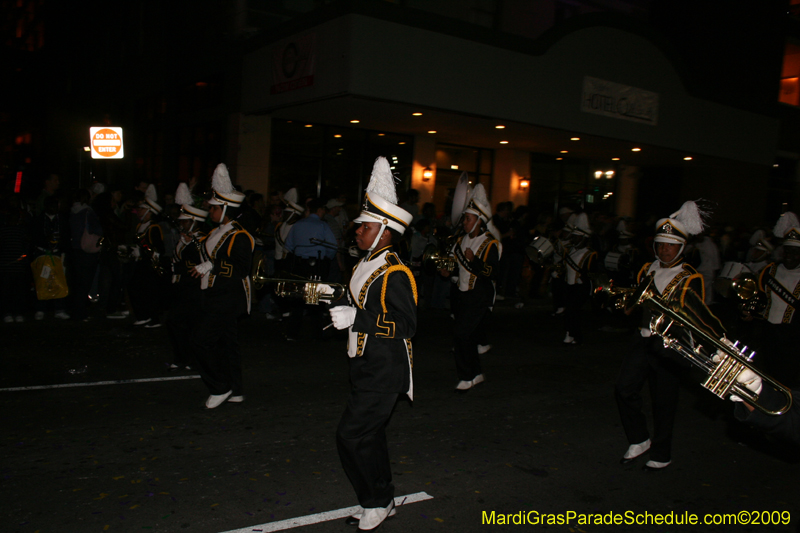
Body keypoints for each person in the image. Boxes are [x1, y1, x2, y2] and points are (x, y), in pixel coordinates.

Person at [327, 156, 416, 531]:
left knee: (351, 435)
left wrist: (357, 318)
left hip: (385, 367)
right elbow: (359, 300)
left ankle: (376, 501)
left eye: (364, 226)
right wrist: (333, 299)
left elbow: (407, 324)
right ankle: (383, 496)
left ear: (384, 230)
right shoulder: (366, 261)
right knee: (370, 436)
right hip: (366, 363)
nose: (357, 231)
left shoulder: (395, 271)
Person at [615, 200, 707, 471]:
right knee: (624, 388)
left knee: (664, 400)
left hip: (670, 345)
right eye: (661, 244)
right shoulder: (647, 269)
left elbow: (695, 318)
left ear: (682, 247)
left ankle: (662, 452)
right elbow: (635, 304)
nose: (665, 250)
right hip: (643, 339)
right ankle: (639, 438)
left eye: (670, 245)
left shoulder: (691, 278)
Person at [190, 163, 254, 408]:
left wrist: (213, 266)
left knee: (200, 340)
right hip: (217, 294)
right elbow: (209, 250)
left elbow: (240, 268)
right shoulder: (218, 231)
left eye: (214, 208)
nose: (210, 211)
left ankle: (220, 386)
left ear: (226, 208)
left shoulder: (239, 235)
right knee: (228, 345)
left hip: (228, 296)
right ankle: (235, 389)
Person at [439, 183, 501, 392]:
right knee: (468, 337)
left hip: (479, 296)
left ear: (479, 221)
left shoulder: (489, 244)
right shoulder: (461, 240)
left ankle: (466, 376)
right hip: (462, 295)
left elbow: (491, 273)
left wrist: (474, 261)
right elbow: (460, 270)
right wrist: (449, 272)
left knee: (461, 335)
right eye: (465, 218)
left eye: (468, 219)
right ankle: (476, 374)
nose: (464, 222)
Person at [749, 212, 800, 388]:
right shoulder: (769, 271)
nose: (790, 256)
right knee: (769, 378)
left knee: (789, 383)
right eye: (787, 251)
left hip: (794, 338)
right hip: (768, 334)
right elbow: (759, 300)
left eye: (795, 252)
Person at [165, 183, 208, 371]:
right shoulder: (184, 239)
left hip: (196, 289)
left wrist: (193, 243)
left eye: (184, 221)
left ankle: (192, 359)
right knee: (175, 322)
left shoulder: (203, 239)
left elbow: (207, 259)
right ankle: (181, 357)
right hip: (181, 287)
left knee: (192, 325)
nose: (181, 224)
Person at [283, 198, 338, 339]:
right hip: (316, 265)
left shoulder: (298, 225)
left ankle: (292, 332)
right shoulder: (323, 226)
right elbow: (332, 247)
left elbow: (288, 246)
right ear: (319, 211)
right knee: (316, 299)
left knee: (298, 298)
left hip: (299, 265)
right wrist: (327, 258)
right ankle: (317, 332)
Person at [128, 185, 166, 328]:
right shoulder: (139, 226)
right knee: (136, 289)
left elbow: (158, 248)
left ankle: (153, 318)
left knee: (149, 291)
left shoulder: (153, 227)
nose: (139, 211)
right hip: (140, 263)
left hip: (149, 265)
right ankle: (143, 315)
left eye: (142, 209)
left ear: (150, 212)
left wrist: (144, 252)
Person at [30, 194, 70, 320]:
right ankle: (40, 308)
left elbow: (66, 237)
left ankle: (59, 308)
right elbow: (33, 237)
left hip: (58, 254)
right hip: (42, 254)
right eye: (52, 205)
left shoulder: (62, 219)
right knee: (42, 281)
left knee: (59, 281)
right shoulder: (39, 220)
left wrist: (65, 253)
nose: (54, 207)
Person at [562, 212, 597, 345]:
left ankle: (574, 335)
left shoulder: (590, 253)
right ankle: (569, 333)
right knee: (569, 311)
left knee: (574, 311)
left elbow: (592, 273)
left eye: (576, 237)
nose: (573, 239)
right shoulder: (570, 250)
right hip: (569, 285)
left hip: (580, 287)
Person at [68, 188, 103, 322]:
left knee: (77, 282)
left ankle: (76, 311)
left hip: (75, 249)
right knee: (85, 282)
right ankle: (80, 312)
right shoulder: (88, 212)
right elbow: (97, 229)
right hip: (87, 250)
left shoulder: (71, 212)